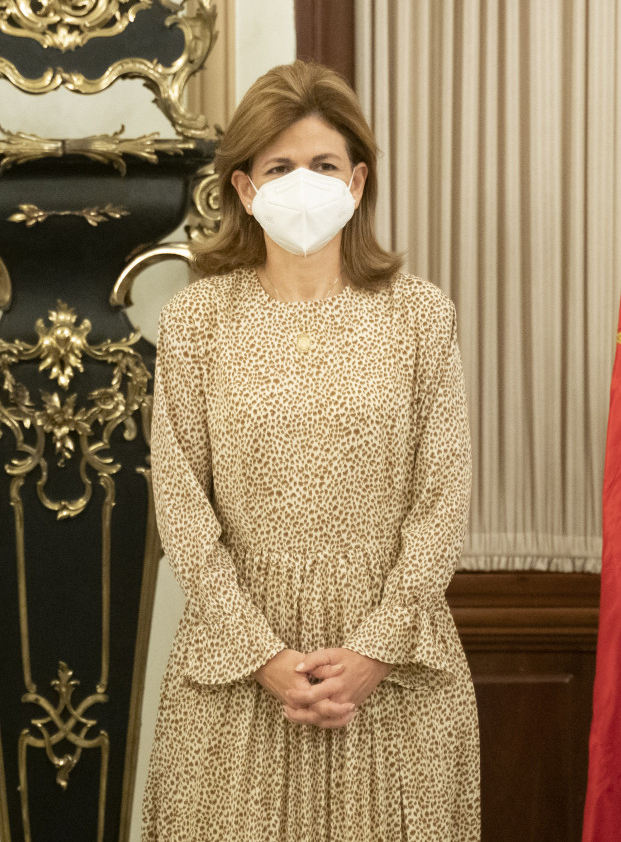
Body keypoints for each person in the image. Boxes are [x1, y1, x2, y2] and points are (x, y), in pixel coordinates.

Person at [141, 60, 480, 840]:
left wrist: (375, 650)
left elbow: (443, 495)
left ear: (357, 182)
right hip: (234, 665)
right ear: (243, 188)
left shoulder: (420, 316)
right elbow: (182, 506)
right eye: (279, 167)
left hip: (396, 670)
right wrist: (263, 654)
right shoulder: (197, 321)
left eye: (324, 165)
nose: (303, 183)